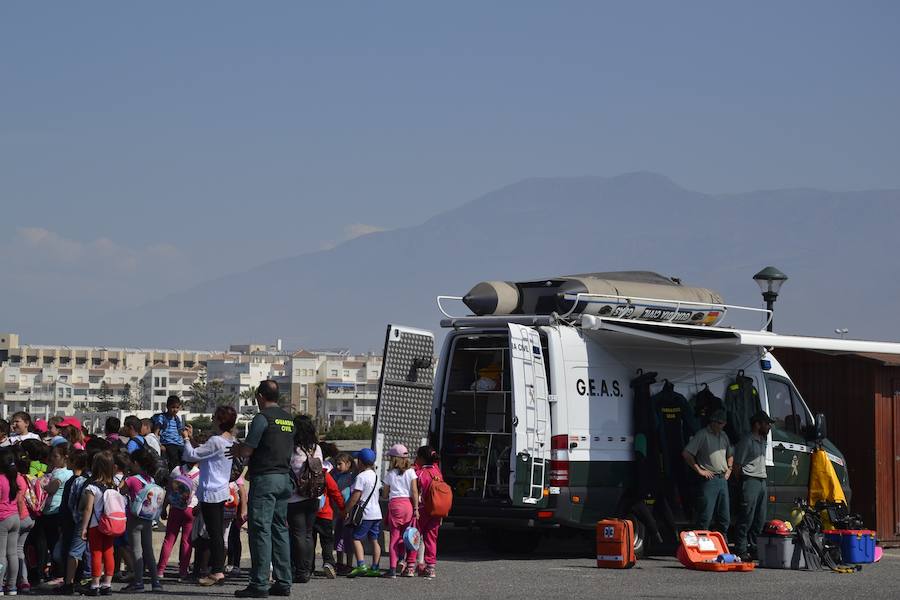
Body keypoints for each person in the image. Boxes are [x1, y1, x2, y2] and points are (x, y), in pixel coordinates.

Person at [226, 380, 295, 598]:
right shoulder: (288, 419)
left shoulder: (262, 418)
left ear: (259, 397)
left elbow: (248, 450)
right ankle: (284, 581)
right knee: (279, 529)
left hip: (265, 479)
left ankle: (259, 583)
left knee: (260, 531)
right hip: (284, 479)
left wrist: (238, 449)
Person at [181, 405, 236, 586]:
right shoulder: (230, 440)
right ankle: (217, 569)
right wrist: (193, 438)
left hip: (211, 492)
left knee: (214, 534)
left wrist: (186, 439)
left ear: (220, 420)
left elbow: (191, 455)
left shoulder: (216, 440)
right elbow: (205, 453)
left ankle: (217, 571)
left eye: (214, 417)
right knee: (217, 532)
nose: (212, 420)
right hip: (221, 490)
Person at [682, 408, 734, 538]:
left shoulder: (724, 435)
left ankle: (723, 545)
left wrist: (729, 468)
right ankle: (701, 544)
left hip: (722, 479)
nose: (723, 426)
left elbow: (730, 453)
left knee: (725, 517)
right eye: (720, 423)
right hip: (709, 480)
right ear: (713, 422)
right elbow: (686, 453)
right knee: (705, 516)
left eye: (724, 423)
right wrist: (699, 470)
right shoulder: (702, 434)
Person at [733, 410, 775, 562]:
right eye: (766, 423)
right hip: (750, 480)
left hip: (761, 481)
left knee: (760, 518)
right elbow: (737, 465)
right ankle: (741, 549)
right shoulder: (747, 441)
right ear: (757, 425)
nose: (769, 426)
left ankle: (754, 548)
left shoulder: (763, 440)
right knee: (747, 517)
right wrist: (741, 483)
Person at [286, 415, 323, 584]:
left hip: (295, 497)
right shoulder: (316, 448)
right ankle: (307, 569)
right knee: (308, 534)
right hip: (314, 495)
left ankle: (300, 571)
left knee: (298, 534)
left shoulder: (293, 448)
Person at [121, 448, 164, 592]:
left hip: (134, 519)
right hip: (148, 519)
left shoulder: (132, 480)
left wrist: (125, 475)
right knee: (149, 551)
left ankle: (138, 582)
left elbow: (121, 491)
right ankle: (155, 582)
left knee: (137, 551)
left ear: (135, 463)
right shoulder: (151, 479)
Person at [80, 451, 117, 596]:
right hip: (110, 524)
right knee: (109, 553)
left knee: (96, 553)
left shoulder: (92, 488)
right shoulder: (114, 486)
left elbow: (88, 508)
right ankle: (107, 584)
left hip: (96, 525)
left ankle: (94, 584)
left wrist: (84, 527)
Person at [344, 448, 383, 578]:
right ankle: (375, 567)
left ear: (360, 461)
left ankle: (361, 565)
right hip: (377, 513)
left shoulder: (361, 477)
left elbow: (356, 496)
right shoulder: (376, 475)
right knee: (374, 540)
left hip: (365, 514)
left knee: (356, 537)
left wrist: (346, 510)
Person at [382, 444, 419, 578]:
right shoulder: (411, 472)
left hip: (395, 505)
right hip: (408, 505)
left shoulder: (390, 474)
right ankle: (402, 560)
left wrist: (386, 492)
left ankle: (392, 569)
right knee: (405, 536)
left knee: (394, 538)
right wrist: (416, 508)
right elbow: (414, 491)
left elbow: (385, 495)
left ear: (394, 459)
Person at [413, 446, 443, 578]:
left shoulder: (420, 473)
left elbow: (416, 491)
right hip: (437, 509)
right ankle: (431, 567)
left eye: (417, 457)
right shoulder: (437, 470)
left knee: (414, 536)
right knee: (431, 539)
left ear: (421, 458)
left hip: (423, 509)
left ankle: (411, 565)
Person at [312, 462, 344, 579]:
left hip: (309, 513)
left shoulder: (305, 472)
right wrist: (343, 508)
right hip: (325, 513)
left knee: (309, 541)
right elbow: (335, 492)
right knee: (327, 541)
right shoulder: (325, 474)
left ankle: (308, 567)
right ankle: (329, 563)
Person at [0, 448, 21, 596]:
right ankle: (12, 586)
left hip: (2, 519)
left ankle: (0, 585)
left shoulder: (0, 479)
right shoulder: (14, 477)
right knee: (12, 554)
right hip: (15, 517)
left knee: (0, 554)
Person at [331, 453, 356, 575]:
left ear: (348, 464)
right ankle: (340, 562)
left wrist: (347, 510)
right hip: (339, 511)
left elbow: (349, 495)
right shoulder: (337, 476)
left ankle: (349, 564)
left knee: (348, 538)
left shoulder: (351, 478)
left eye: (340, 464)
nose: (337, 466)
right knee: (338, 537)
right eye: (337, 464)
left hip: (347, 512)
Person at [153, 397, 185, 477]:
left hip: (179, 443)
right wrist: (159, 444)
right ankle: (173, 477)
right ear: (167, 407)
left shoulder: (177, 418)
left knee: (184, 458)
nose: (175, 410)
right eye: (173, 407)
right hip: (168, 442)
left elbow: (180, 431)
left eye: (177, 407)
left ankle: (183, 476)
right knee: (173, 461)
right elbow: (156, 433)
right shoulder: (162, 417)